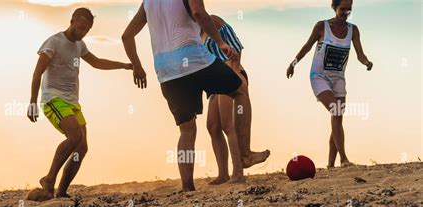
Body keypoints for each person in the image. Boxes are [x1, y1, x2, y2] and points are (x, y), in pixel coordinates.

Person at [122, 0, 268, 192]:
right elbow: (199, 13)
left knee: (187, 130)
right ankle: (246, 154)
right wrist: (220, 42)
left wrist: (137, 67)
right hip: (195, 60)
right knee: (240, 89)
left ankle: (187, 186)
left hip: (167, 72)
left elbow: (126, 36)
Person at [28, 8, 132, 198]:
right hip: (53, 99)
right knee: (74, 136)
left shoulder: (80, 45)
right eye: (80, 27)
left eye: (86, 30)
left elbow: (97, 62)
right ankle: (49, 178)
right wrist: (32, 102)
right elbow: (37, 73)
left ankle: (62, 191)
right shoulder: (54, 42)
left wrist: (124, 65)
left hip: (72, 102)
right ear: (72, 21)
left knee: (82, 147)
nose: (82, 32)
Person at [286, 0, 372, 168]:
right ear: (334, 8)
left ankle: (331, 166)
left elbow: (360, 54)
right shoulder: (321, 26)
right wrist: (293, 63)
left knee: (337, 118)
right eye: (343, 9)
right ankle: (344, 159)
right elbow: (307, 46)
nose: (346, 12)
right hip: (319, 77)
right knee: (336, 111)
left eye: (349, 9)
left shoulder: (353, 30)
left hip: (339, 78)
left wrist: (367, 62)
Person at [203, 15, 270, 184]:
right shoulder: (191, 30)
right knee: (213, 126)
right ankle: (223, 173)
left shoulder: (212, 20)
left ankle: (239, 171)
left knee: (227, 124)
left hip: (229, 72)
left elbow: (235, 43)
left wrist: (234, 68)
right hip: (214, 80)